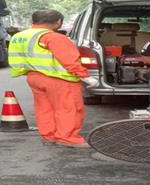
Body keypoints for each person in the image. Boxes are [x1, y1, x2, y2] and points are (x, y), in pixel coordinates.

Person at [8, 9, 93, 148]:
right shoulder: (54, 37)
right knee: (68, 108)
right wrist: (86, 77)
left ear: (32, 21)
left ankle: (49, 135)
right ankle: (68, 138)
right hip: (58, 79)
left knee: (45, 108)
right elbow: (69, 60)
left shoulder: (19, 36)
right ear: (58, 23)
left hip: (34, 77)